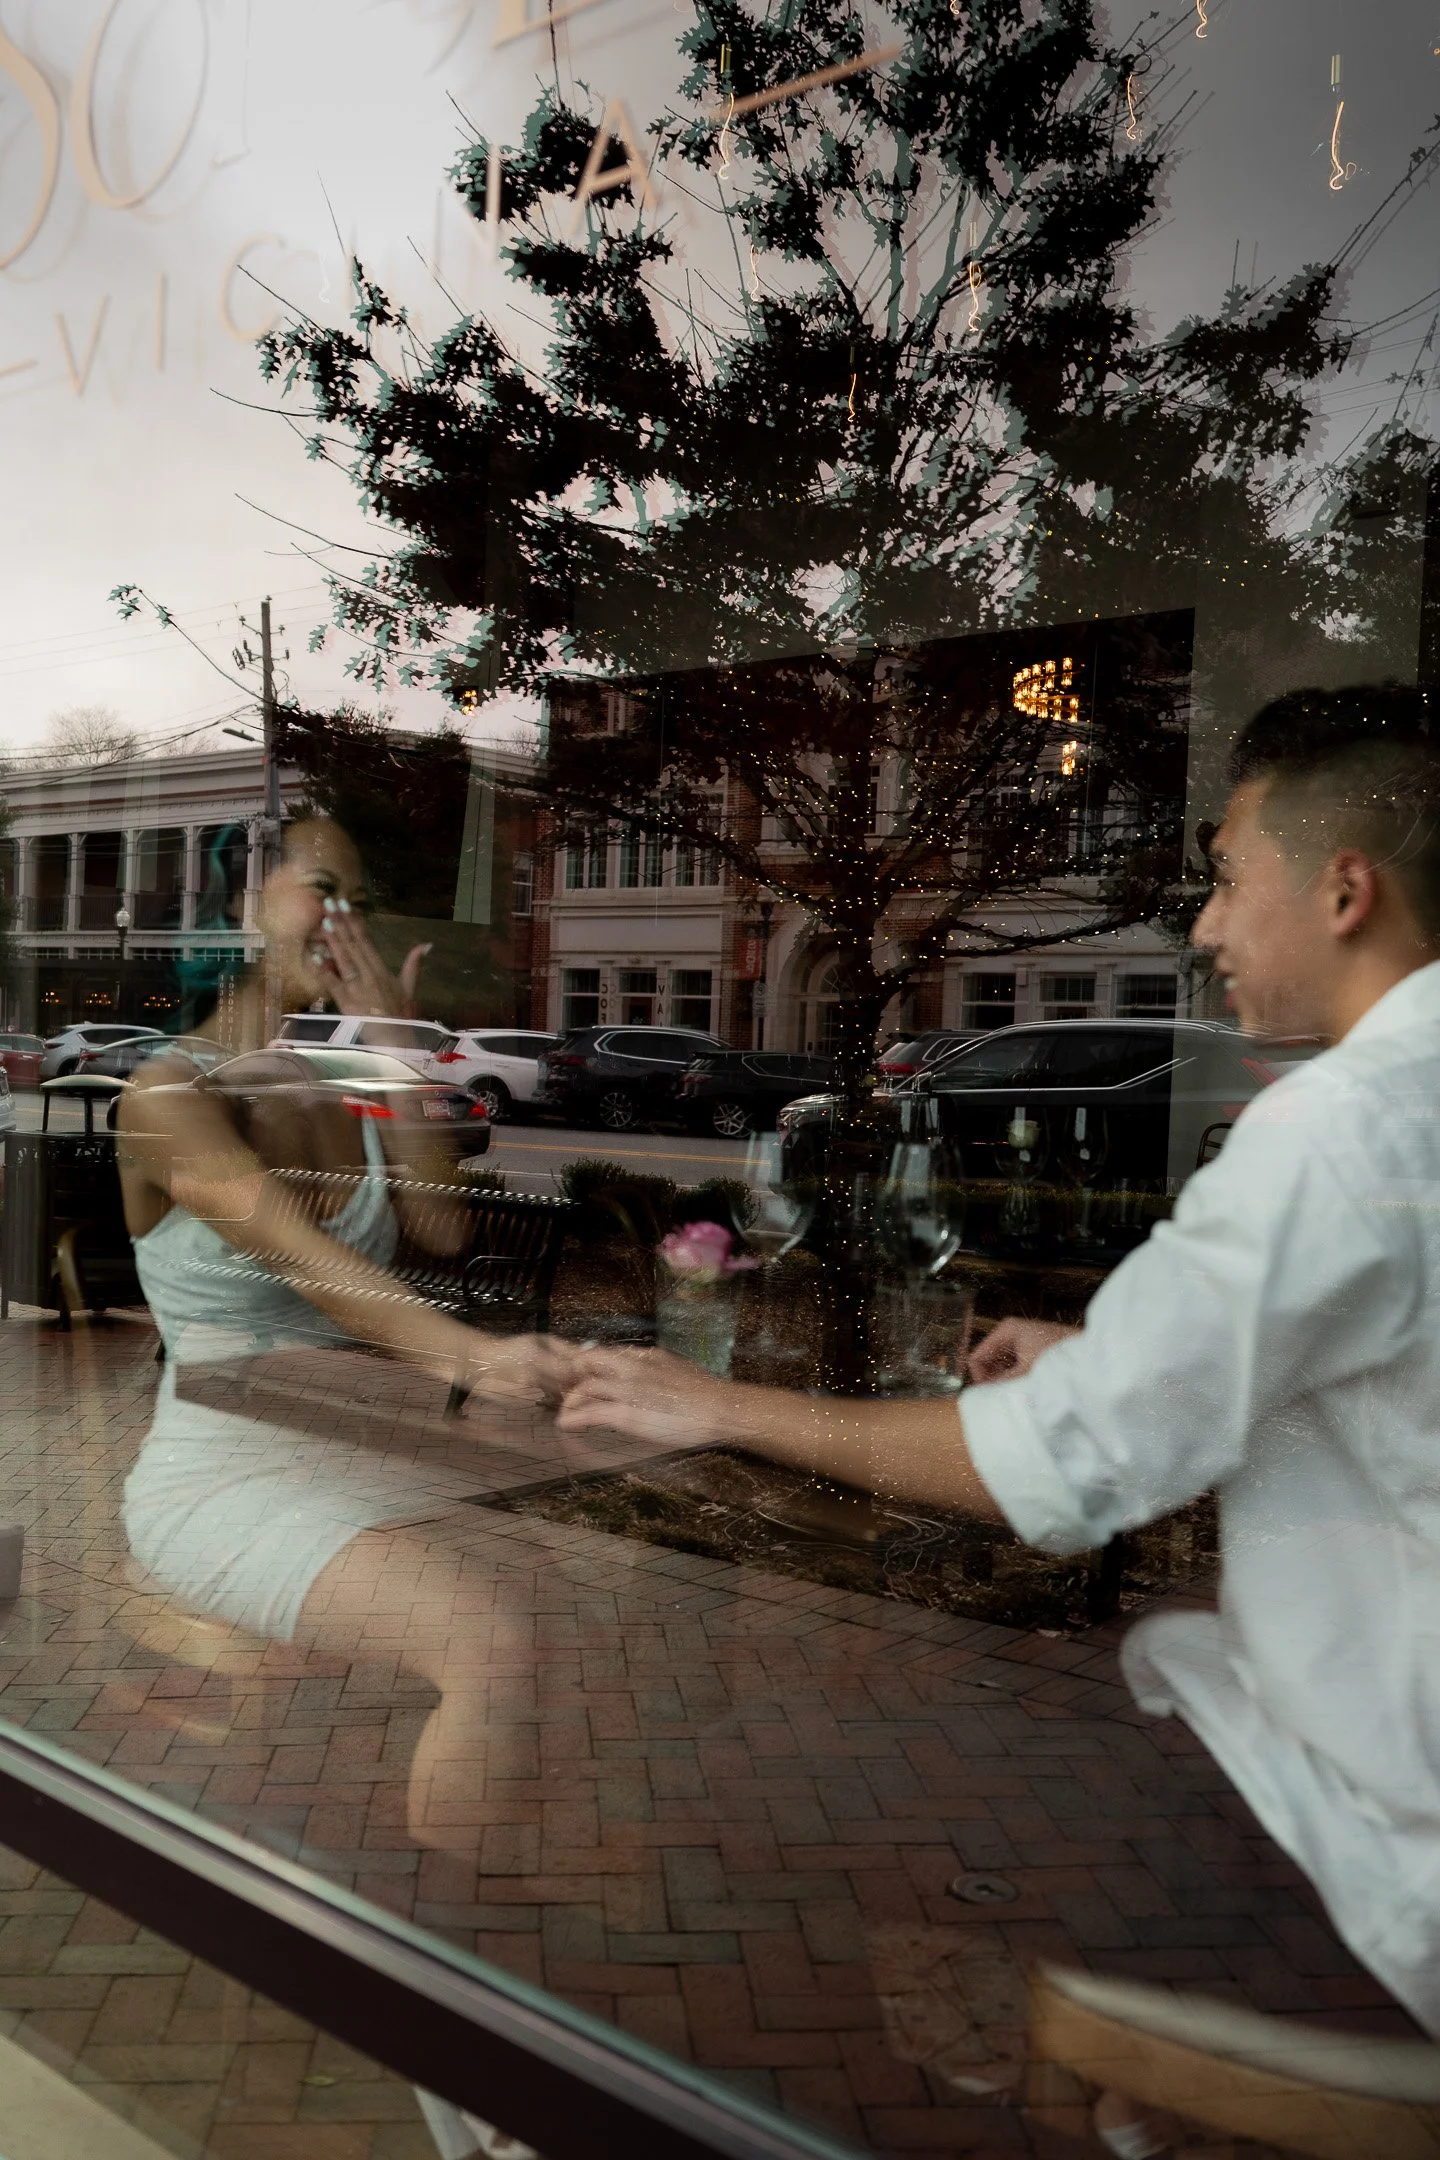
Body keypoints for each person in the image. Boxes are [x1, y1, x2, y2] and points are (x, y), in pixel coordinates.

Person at [559, 685, 1440, 2058]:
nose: (1204, 929)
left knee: (818, 1807)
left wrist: (716, 1402)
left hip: (1381, 1846)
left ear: (1343, 891)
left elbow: (1060, 1471)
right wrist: (1113, 1358)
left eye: (1224, 879)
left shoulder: (1340, 1127)